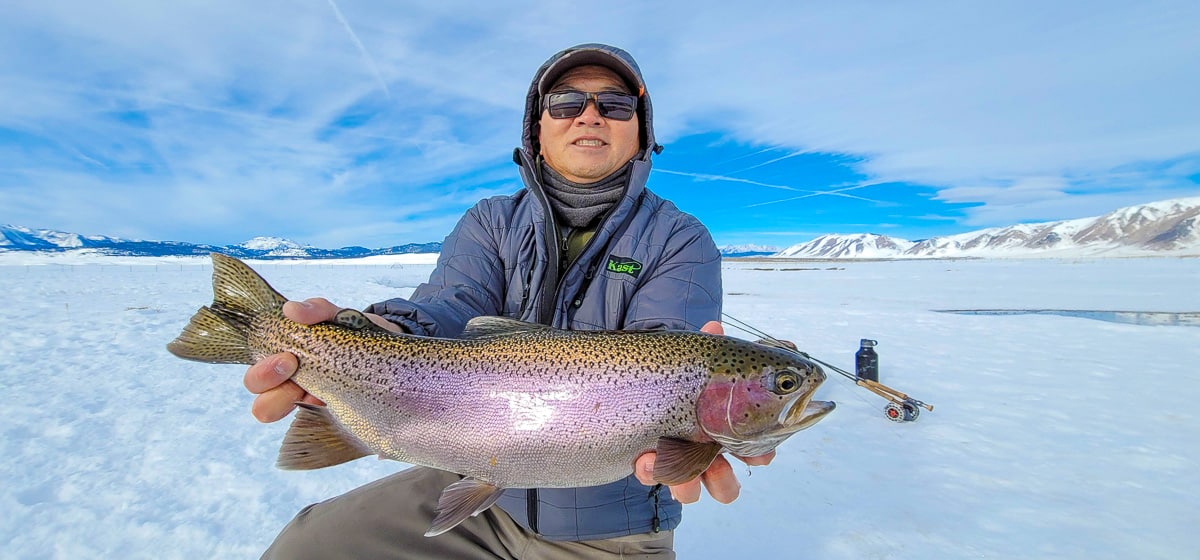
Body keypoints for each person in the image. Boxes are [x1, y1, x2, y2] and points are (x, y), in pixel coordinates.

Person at [245, 43, 774, 559]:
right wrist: (383, 337)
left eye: (615, 105)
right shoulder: (491, 221)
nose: (590, 116)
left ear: (642, 133)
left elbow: (669, 354)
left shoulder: (679, 238)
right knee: (306, 546)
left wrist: (740, 427)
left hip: (611, 530)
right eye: (566, 102)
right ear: (536, 131)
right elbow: (447, 306)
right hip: (478, 490)